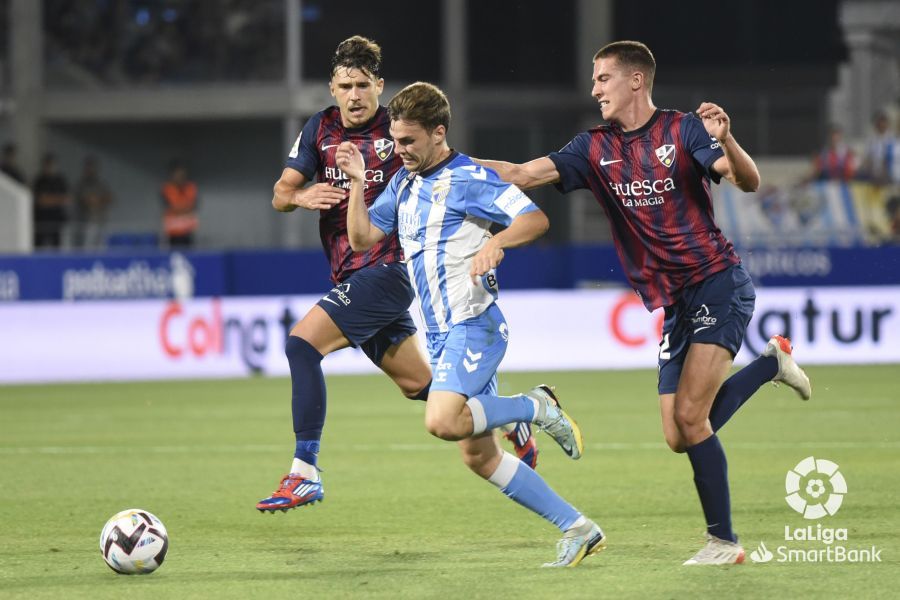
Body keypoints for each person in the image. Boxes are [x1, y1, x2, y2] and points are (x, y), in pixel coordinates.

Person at [476, 40, 812, 565]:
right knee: (677, 434)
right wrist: (448, 164)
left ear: (635, 80)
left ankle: (724, 543)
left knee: (692, 418)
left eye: (602, 78)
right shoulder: (592, 147)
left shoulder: (683, 130)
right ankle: (771, 364)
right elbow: (522, 174)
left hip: (716, 282)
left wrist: (728, 138)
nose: (594, 89)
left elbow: (746, 181)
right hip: (674, 303)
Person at [257, 37, 536, 514]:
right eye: (345, 86)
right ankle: (508, 416)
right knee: (419, 386)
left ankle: (304, 473)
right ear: (332, 88)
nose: (354, 95)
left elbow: (454, 165)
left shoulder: (402, 130)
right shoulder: (319, 128)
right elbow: (281, 193)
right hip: (350, 274)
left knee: (301, 346)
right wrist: (302, 196)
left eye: (363, 85)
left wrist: (512, 176)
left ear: (379, 86)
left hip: (390, 270)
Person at [339, 81, 605, 568]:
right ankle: (579, 528)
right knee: (479, 457)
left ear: (439, 132)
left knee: (441, 421)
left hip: (473, 324)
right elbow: (361, 239)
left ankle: (536, 406)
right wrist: (357, 182)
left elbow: (534, 219)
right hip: (440, 335)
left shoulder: (469, 179)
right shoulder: (402, 183)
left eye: (409, 141)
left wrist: (496, 243)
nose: (400, 150)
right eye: (395, 140)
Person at [32, 153, 71, 249]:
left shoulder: (60, 180)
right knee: (39, 248)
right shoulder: (39, 180)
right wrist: (57, 199)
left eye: (52, 164)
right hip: (42, 221)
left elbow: (67, 199)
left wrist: (49, 199)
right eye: (48, 164)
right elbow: (41, 200)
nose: (50, 167)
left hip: (57, 220)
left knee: (57, 247)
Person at [74, 156, 114, 249]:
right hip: (87, 221)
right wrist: (96, 200)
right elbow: (87, 200)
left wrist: (98, 200)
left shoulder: (100, 183)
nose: (91, 170)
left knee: (101, 247)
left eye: (92, 167)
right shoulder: (81, 184)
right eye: (89, 167)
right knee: (88, 248)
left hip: (101, 219)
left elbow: (110, 198)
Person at [160, 160, 199, 248]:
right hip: (172, 232)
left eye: (182, 174)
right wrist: (184, 208)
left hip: (188, 230)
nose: (180, 177)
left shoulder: (191, 187)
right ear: (172, 175)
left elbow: (193, 206)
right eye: (177, 174)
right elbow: (171, 207)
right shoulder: (166, 188)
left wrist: (180, 208)